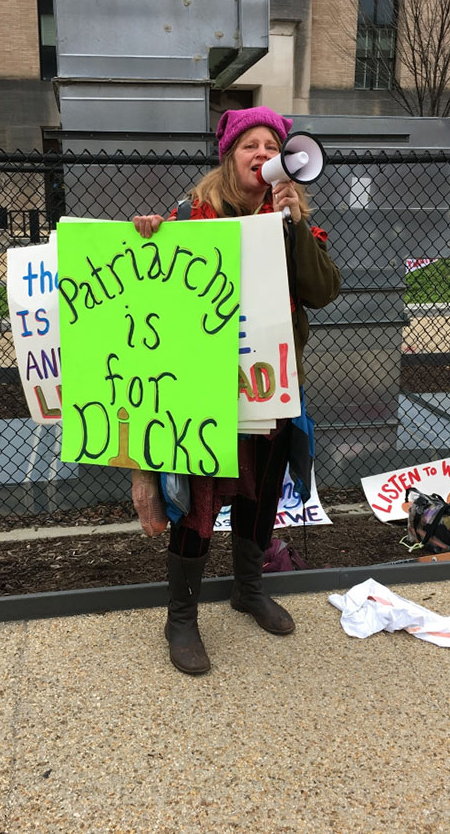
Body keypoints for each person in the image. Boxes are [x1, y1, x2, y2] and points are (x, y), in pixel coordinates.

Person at [131, 106, 341, 675]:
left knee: (261, 494)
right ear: (229, 158)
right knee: (197, 504)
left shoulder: (294, 222)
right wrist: (154, 235)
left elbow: (321, 291)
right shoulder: (191, 218)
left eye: (273, 146)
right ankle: (181, 618)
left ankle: (248, 590)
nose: (263, 155)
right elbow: (155, 289)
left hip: (269, 387)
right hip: (206, 389)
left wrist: (294, 226)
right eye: (250, 144)